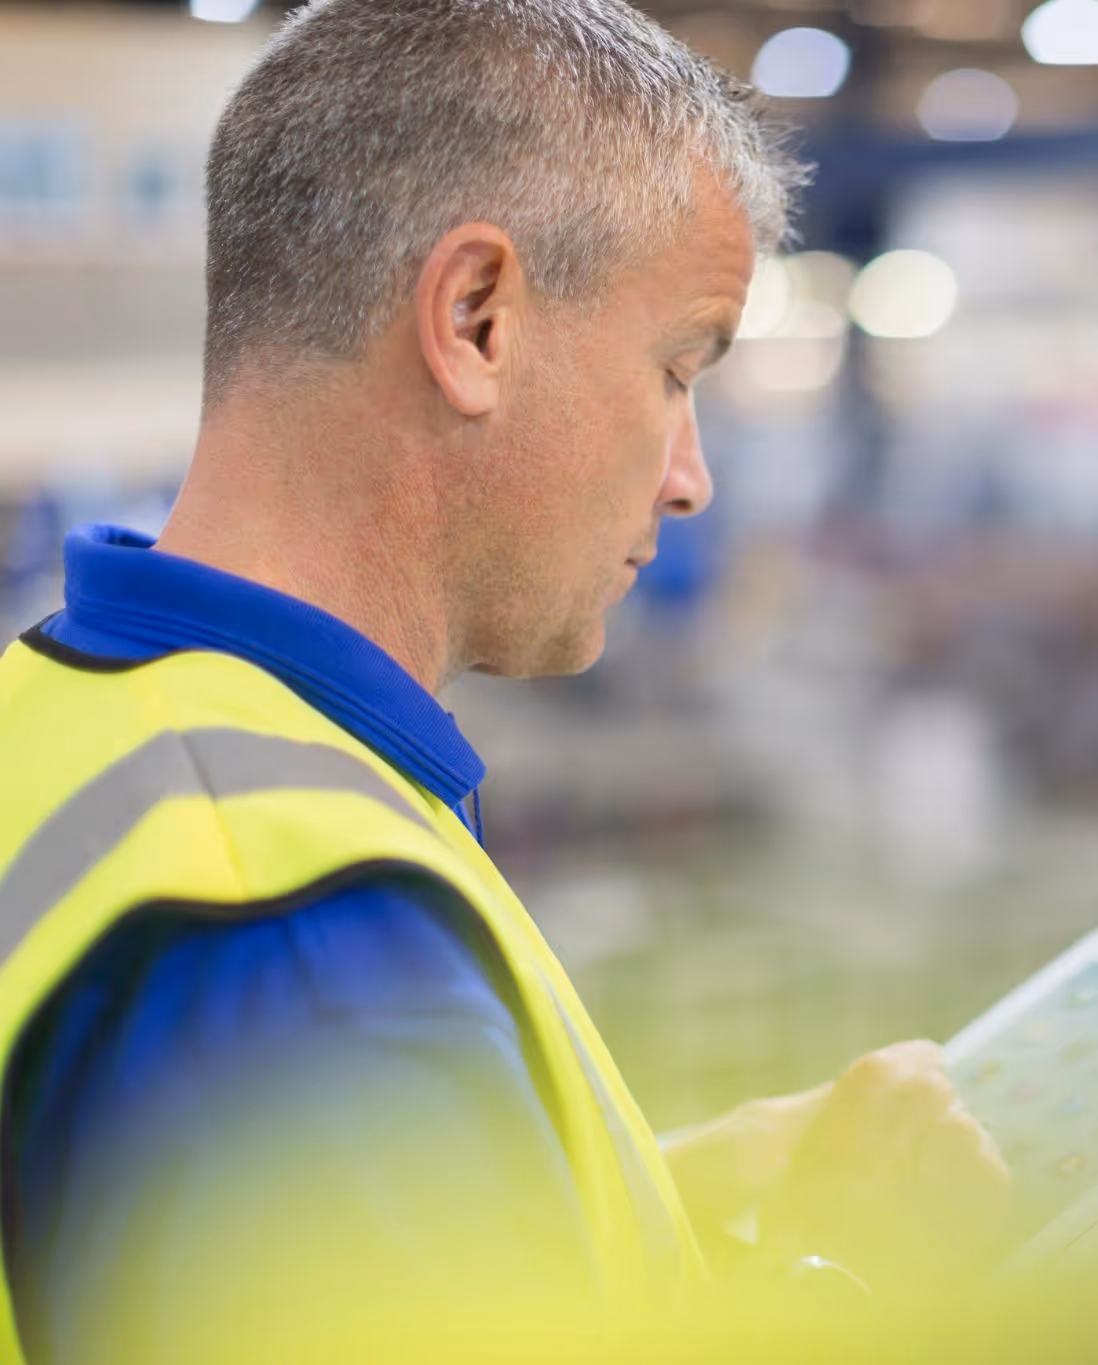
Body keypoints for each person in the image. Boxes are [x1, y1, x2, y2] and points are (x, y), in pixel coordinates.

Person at [0, 2, 1008, 1360]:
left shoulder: (73, 709)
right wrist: (857, 1285)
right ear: (475, 317)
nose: (691, 476)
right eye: (675, 369)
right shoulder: (305, 950)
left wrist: (639, 1196)